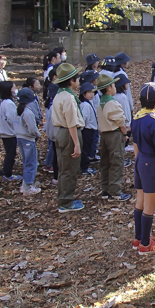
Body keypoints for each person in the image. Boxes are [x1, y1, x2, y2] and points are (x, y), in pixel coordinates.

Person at [131, 82, 155, 254]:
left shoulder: (136, 118)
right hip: (150, 163)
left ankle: (139, 237)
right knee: (149, 204)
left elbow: (135, 145)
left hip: (140, 160)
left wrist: (138, 162)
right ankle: (146, 244)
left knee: (140, 201)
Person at [51, 63, 85, 212]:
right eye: (77, 79)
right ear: (72, 81)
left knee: (64, 167)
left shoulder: (59, 94)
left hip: (62, 132)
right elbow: (71, 122)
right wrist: (76, 143)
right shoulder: (68, 98)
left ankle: (64, 198)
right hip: (69, 133)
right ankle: (66, 201)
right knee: (69, 168)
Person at [95, 74, 132, 202]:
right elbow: (121, 122)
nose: (115, 87)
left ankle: (106, 189)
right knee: (116, 162)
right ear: (109, 88)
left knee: (105, 162)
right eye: (113, 85)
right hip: (114, 134)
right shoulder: (112, 103)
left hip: (104, 135)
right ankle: (115, 191)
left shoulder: (100, 103)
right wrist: (125, 134)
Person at [14, 88, 42, 195]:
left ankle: (25, 183)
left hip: (19, 138)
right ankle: (28, 186)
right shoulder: (28, 113)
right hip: (28, 139)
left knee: (26, 161)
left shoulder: (17, 111)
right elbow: (32, 129)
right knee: (31, 162)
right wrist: (37, 135)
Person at [0, 81, 22, 183]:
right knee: (10, 154)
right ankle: (7, 174)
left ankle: (7, 172)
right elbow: (12, 119)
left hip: (6, 132)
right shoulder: (8, 104)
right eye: (13, 87)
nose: (15, 89)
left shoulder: (5, 102)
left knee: (10, 153)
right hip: (9, 133)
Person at [79, 82, 98, 176]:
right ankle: (84, 168)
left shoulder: (88, 103)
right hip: (87, 130)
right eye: (89, 92)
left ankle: (85, 166)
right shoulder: (85, 105)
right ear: (83, 94)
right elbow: (84, 118)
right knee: (86, 150)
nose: (92, 94)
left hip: (90, 129)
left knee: (88, 149)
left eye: (92, 92)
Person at [114, 75, 133, 167]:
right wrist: (128, 124)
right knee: (121, 142)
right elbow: (126, 111)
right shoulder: (123, 97)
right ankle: (121, 160)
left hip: (115, 123)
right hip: (123, 123)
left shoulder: (114, 96)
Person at [43, 68, 59, 174]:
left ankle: (49, 164)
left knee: (52, 148)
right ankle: (49, 164)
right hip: (54, 131)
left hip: (50, 130)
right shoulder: (53, 105)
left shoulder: (49, 103)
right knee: (53, 149)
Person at [44, 83, 60, 186]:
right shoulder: (56, 106)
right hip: (58, 135)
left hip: (53, 135)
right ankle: (57, 176)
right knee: (58, 157)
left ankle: (56, 176)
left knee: (56, 156)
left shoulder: (50, 106)